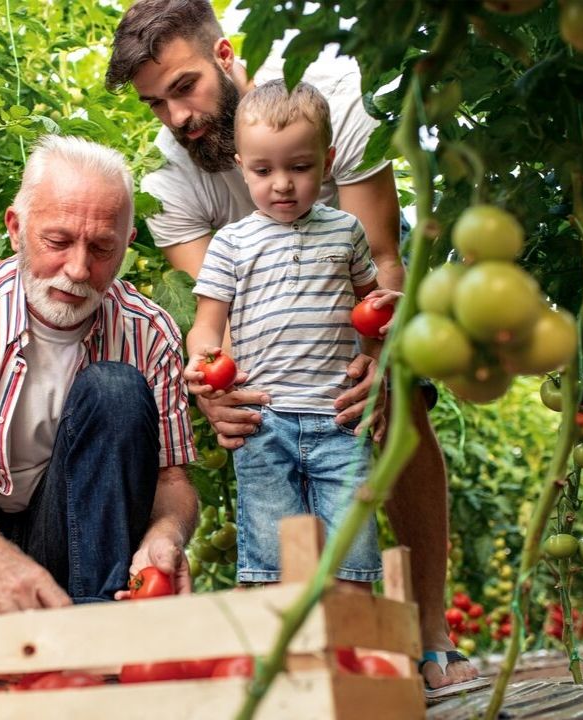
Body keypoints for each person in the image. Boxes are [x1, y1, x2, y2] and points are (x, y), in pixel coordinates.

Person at [106, 0, 481, 694]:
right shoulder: (170, 180)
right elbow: (211, 311)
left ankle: (429, 631)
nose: (177, 118)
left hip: (348, 307)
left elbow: (381, 258)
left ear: (224, 56)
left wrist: (380, 358)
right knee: (266, 482)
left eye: (183, 88)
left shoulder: (333, 92)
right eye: (156, 104)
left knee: (399, 402)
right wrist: (213, 389)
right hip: (267, 337)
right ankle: (288, 654)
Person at [0, 134, 198, 618]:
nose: (78, 270)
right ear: (16, 229)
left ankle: (98, 636)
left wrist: (166, 534)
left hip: (79, 541)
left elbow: (172, 477)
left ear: (127, 244)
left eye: (102, 248)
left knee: (116, 389)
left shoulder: (149, 331)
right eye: (57, 242)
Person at [185, 80, 398, 586]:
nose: (281, 184)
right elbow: (206, 326)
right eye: (263, 170)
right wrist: (202, 361)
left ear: (326, 160)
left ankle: (352, 657)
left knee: (352, 556)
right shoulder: (231, 244)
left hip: (339, 419)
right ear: (241, 166)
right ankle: (282, 661)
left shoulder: (347, 231)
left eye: (299, 168)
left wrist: (382, 331)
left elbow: (372, 307)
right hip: (264, 422)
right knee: (271, 564)